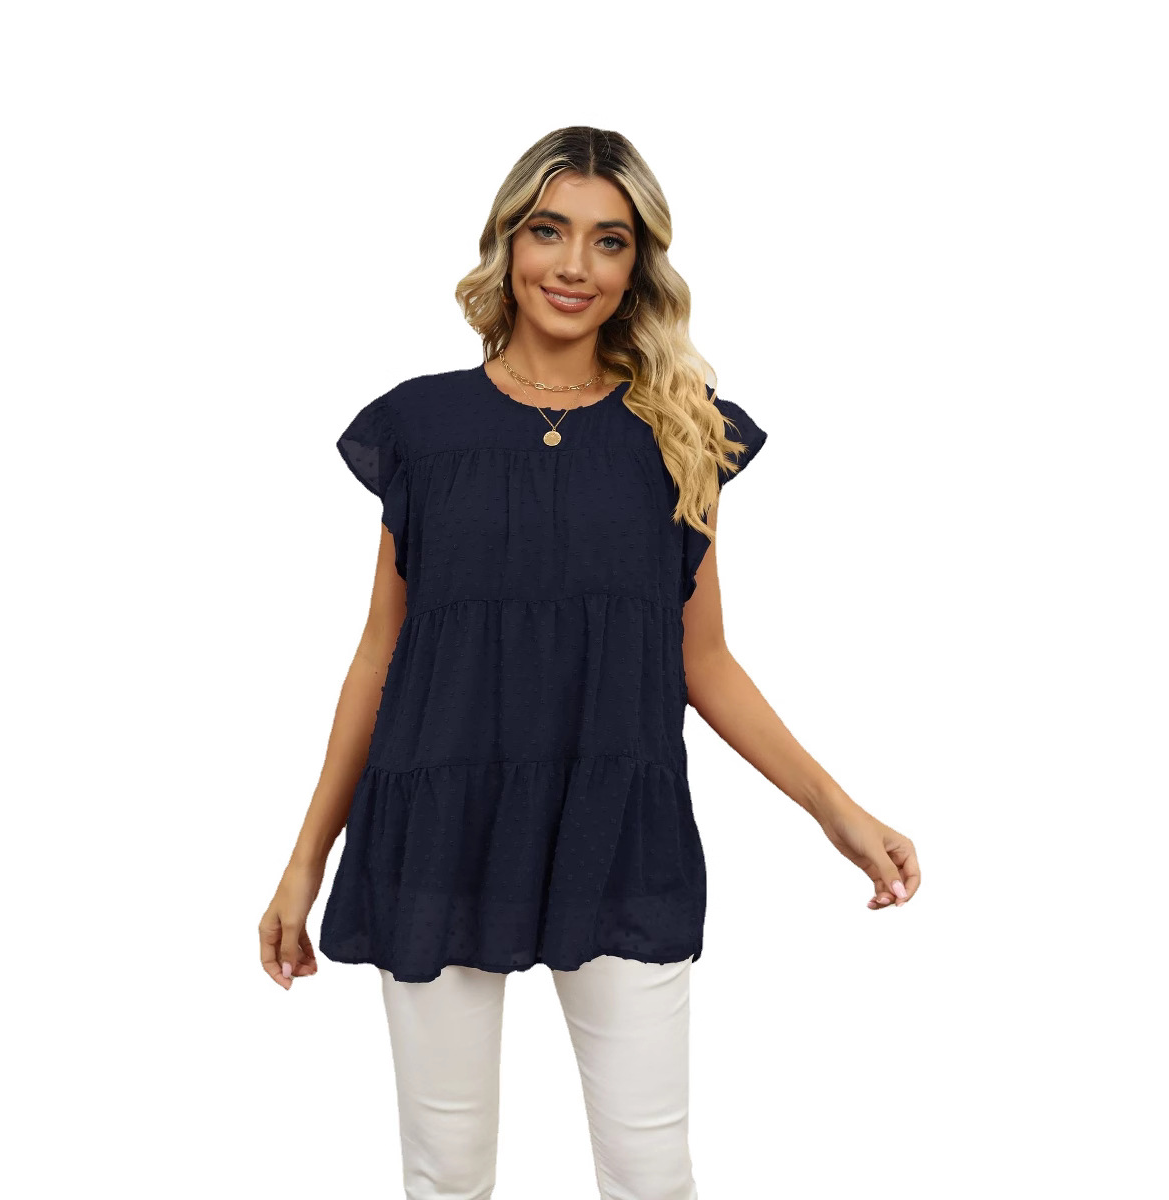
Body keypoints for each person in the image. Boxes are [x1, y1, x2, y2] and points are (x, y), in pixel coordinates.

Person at [258, 125, 921, 1200]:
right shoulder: (423, 427)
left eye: (609, 241)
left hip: (620, 832)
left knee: (651, 1172)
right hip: (439, 823)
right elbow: (382, 657)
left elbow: (704, 660)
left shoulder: (682, 431)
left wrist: (835, 811)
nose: (574, 265)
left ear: (637, 265)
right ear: (507, 244)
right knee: (446, 1172)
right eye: (549, 231)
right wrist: (305, 860)